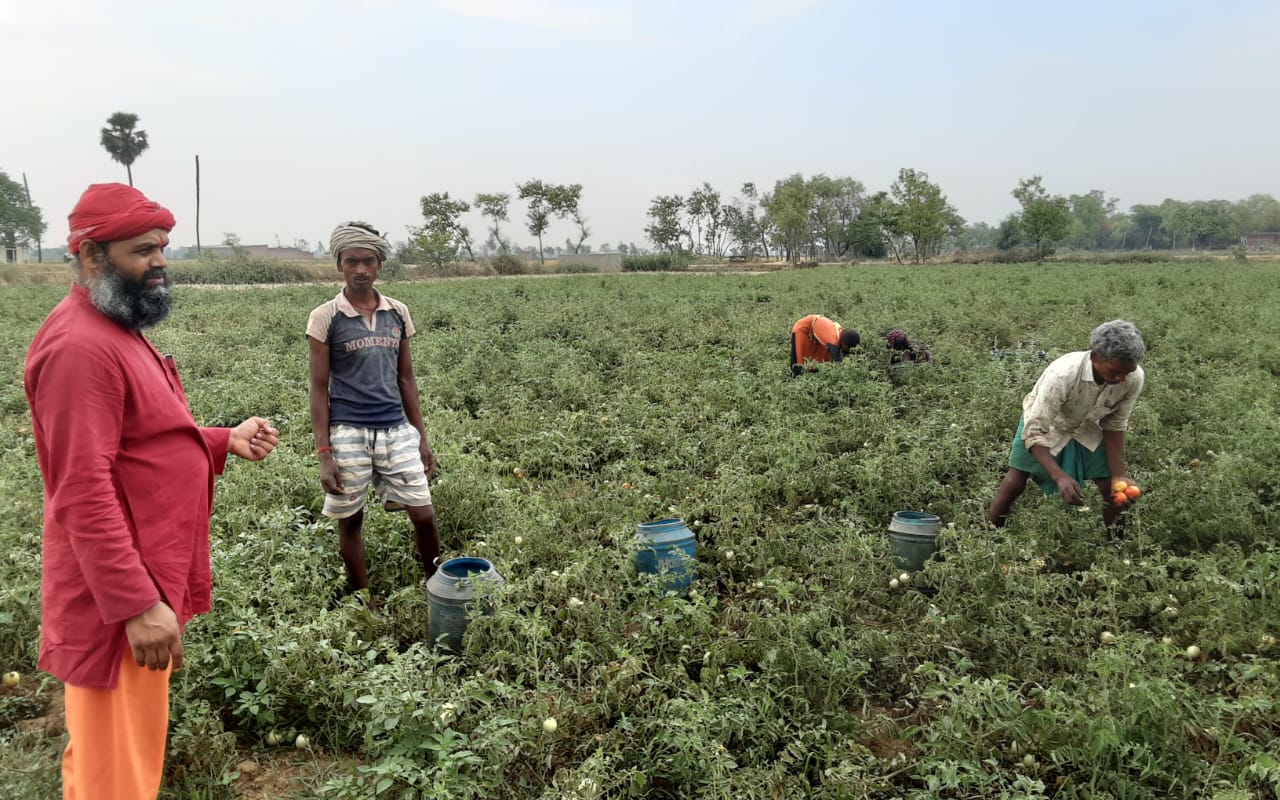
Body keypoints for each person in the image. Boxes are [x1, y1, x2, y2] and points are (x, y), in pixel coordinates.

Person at [24, 182, 280, 800]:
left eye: (162, 247)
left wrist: (220, 440)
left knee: (110, 761)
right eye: (142, 250)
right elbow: (82, 491)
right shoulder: (80, 348)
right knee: (117, 778)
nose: (160, 262)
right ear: (91, 256)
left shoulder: (112, 326)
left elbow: (142, 439)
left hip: (138, 580)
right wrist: (137, 605)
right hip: (116, 603)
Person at [307, 221, 440, 603]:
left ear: (380, 264)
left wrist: (421, 438)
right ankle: (364, 601)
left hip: (396, 428)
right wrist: (324, 453)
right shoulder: (326, 316)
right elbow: (318, 388)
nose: (360, 269)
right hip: (348, 430)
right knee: (351, 521)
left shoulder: (397, 312)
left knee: (424, 515)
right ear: (340, 266)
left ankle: (437, 587)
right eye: (352, 262)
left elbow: (406, 378)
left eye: (368, 261)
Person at [986, 320, 1146, 531]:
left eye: (1127, 372)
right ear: (1095, 357)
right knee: (1016, 480)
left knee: (1111, 487)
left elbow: (1114, 425)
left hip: (1087, 426)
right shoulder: (1063, 374)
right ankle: (989, 531)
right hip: (1047, 420)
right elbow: (1034, 431)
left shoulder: (1133, 378)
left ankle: (1115, 543)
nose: (1121, 378)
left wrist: (1119, 476)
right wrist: (1059, 477)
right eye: (1115, 371)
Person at [790, 314, 860, 376]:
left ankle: (813, 374)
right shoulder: (833, 340)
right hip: (803, 328)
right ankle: (795, 378)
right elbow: (837, 361)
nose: (848, 351)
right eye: (848, 348)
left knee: (823, 358)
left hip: (815, 328)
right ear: (844, 343)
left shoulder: (841, 334)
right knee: (799, 361)